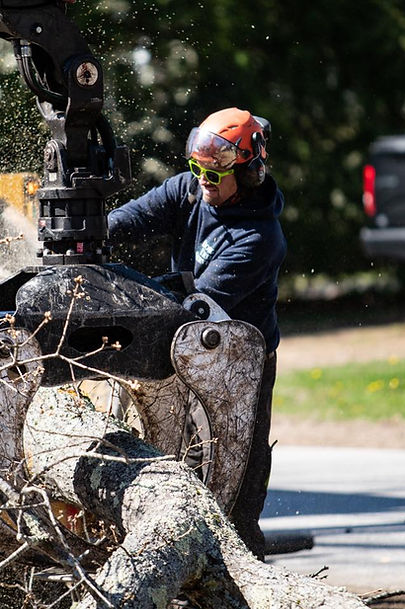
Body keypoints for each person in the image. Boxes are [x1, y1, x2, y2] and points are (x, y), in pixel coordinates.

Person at [108, 107, 286, 559]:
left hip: (237, 362)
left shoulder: (258, 237)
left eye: (214, 174)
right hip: (187, 347)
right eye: (197, 169)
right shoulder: (189, 190)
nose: (203, 180)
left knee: (235, 474)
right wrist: (85, 239)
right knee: (174, 457)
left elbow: (196, 309)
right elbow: (125, 221)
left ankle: (244, 562)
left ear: (248, 173)